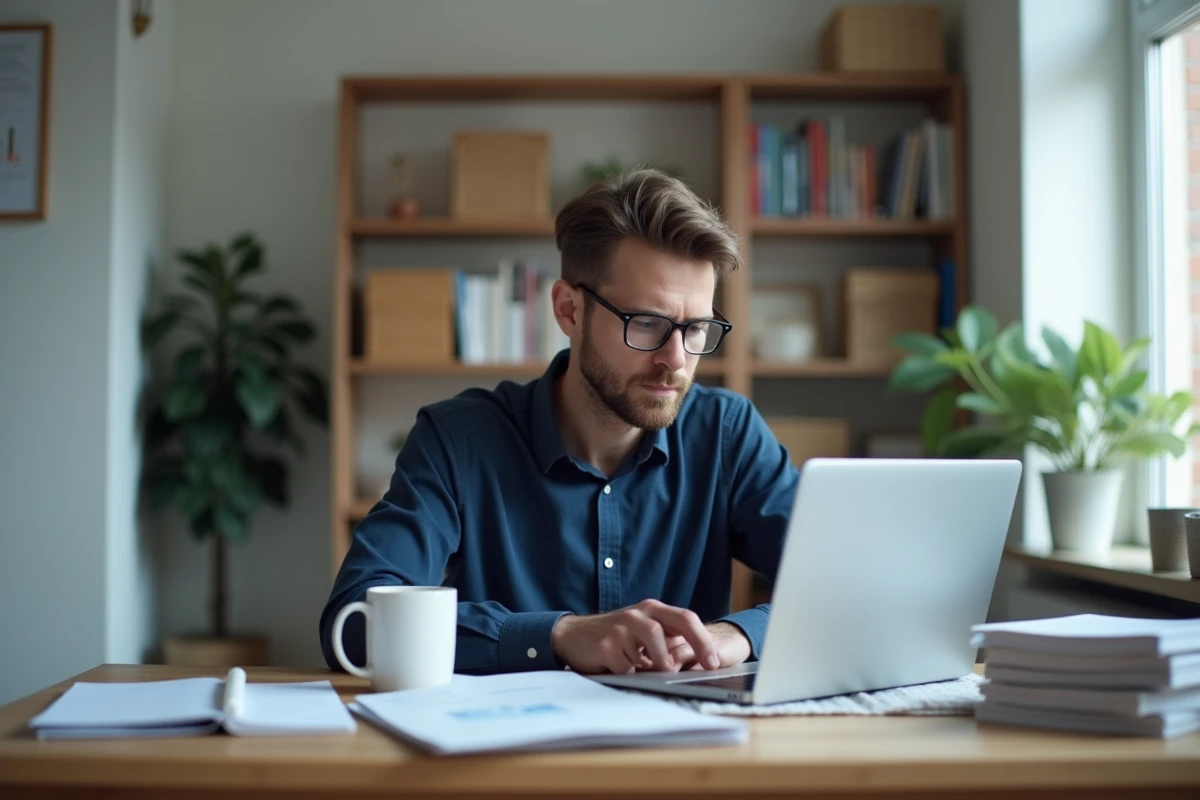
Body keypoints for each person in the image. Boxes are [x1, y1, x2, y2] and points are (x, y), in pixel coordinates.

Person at [319, 169, 799, 676]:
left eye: (696, 328)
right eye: (648, 324)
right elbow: (354, 622)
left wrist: (739, 636)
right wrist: (557, 635)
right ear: (569, 310)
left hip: (687, 750)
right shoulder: (458, 440)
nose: (676, 360)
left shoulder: (727, 434)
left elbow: (851, 590)